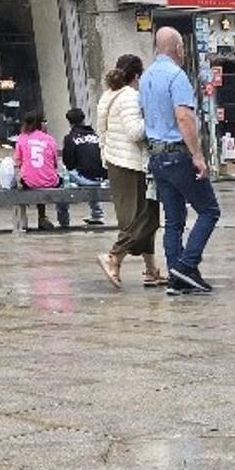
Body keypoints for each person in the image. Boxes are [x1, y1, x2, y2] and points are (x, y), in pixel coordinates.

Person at [141, 27, 220, 295]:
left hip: (156, 155)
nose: (184, 52)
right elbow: (184, 117)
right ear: (177, 48)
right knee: (209, 210)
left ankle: (178, 279)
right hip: (177, 153)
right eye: (182, 47)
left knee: (173, 219)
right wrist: (197, 155)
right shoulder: (177, 76)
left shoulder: (146, 76)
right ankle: (186, 266)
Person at [96, 55, 164, 289]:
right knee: (145, 217)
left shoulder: (108, 95)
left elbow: (102, 131)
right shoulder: (130, 97)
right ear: (137, 75)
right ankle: (113, 256)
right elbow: (135, 132)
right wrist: (156, 118)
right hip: (131, 164)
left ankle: (151, 269)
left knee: (140, 215)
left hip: (115, 162)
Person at [12, 109, 68, 230]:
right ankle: (51, 218)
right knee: (59, 179)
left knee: (31, 178)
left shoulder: (22, 138)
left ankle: (40, 217)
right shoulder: (49, 139)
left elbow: (17, 161)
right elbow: (54, 164)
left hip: (29, 182)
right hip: (50, 181)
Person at [63, 107, 107, 225]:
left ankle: (63, 219)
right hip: (101, 177)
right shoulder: (95, 136)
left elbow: (68, 162)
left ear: (69, 122)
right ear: (83, 119)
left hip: (85, 177)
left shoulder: (70, 138)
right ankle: (97, 213)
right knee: (91, 173)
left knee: (63, 177)